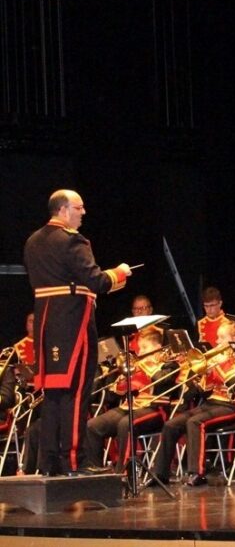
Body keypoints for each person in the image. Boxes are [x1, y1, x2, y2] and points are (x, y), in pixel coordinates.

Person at [23, 189, 132, 475]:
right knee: (75, 392)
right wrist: (120, 272)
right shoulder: (73, 241)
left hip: (47, 325)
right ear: (63, 210)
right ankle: (74, 461)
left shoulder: (32, 242)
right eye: (79, 208)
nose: (83, 213)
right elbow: (96, 282)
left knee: (53, 395)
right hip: (73, 324)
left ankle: (49, 463)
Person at [148, 320, 235, 487]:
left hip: (230, 406)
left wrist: (217, 366)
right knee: (171, 425)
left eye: (221, 338)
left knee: (195, 422)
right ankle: (161, 474)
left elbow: (234, 385)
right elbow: (204, 391)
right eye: (217, 337)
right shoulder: (217, 357)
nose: (216, 342)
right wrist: (202, 373)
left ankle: (196, 472)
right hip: (211, 403)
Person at [84, 329, 176, 474]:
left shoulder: (169, 365)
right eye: (140, 348)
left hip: (155, 409)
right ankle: (95, 470)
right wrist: (120, 382)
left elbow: (163, 381)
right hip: (129, 407)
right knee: (92, 426)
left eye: (145, 348)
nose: (140, 352)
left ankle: (124, 473)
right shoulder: (136, 366)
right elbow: (111, 397)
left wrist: (145, 368)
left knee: (125, 424)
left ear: (158, 347)